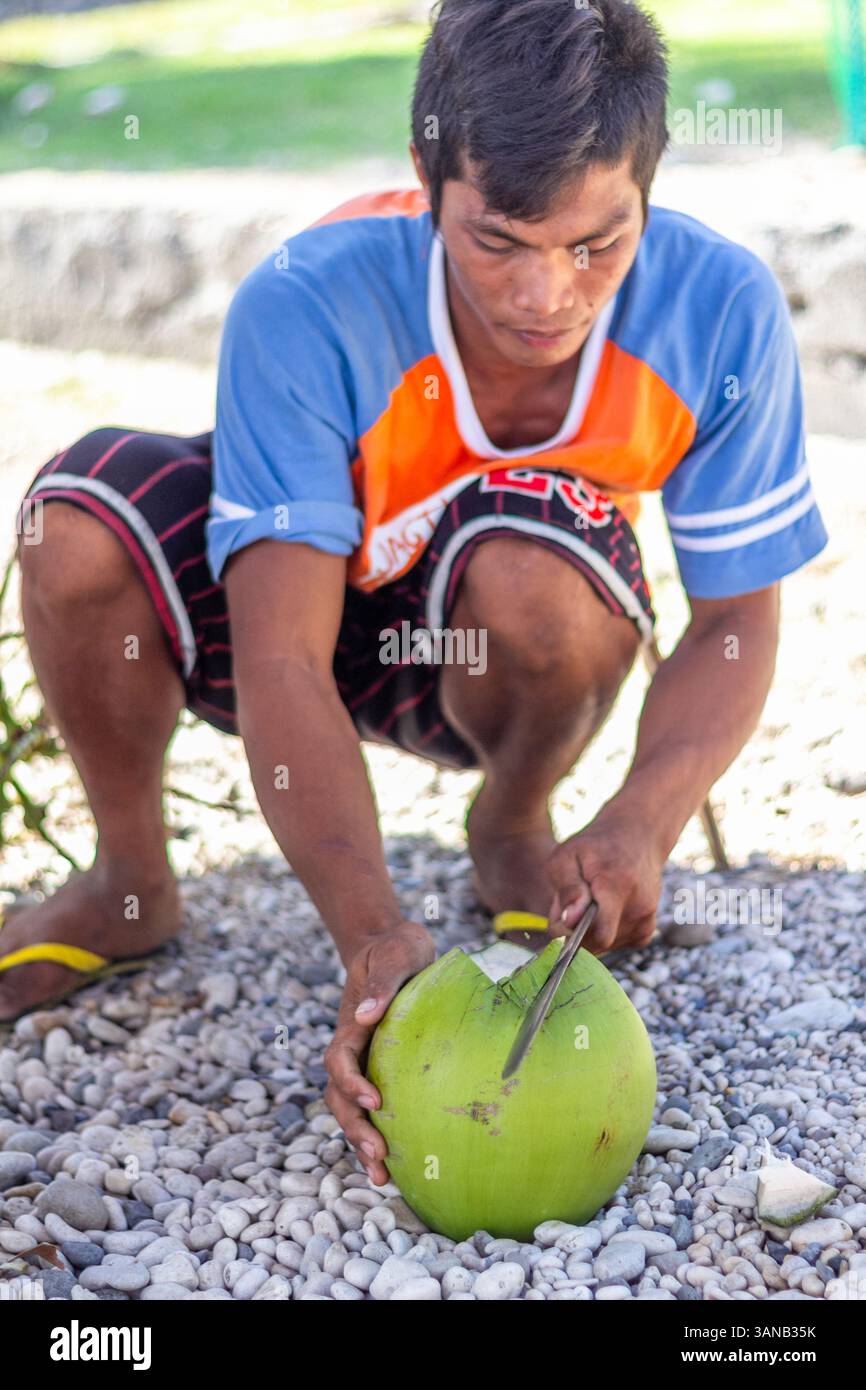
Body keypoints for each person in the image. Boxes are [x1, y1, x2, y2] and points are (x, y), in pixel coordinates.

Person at [4, 0, 827, 1186]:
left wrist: (643, 819)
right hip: (299, 621)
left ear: (649, 188)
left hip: (499, 641)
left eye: (596, 243)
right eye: (498, 241)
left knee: (534, 549)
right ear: (424, 178)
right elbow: (282, 656)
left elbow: (738, 620)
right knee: (74, 518)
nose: (548, 294)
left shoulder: (718, 307)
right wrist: (372, 932)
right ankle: (130, 878)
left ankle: (510, 820)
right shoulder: (307, 296)